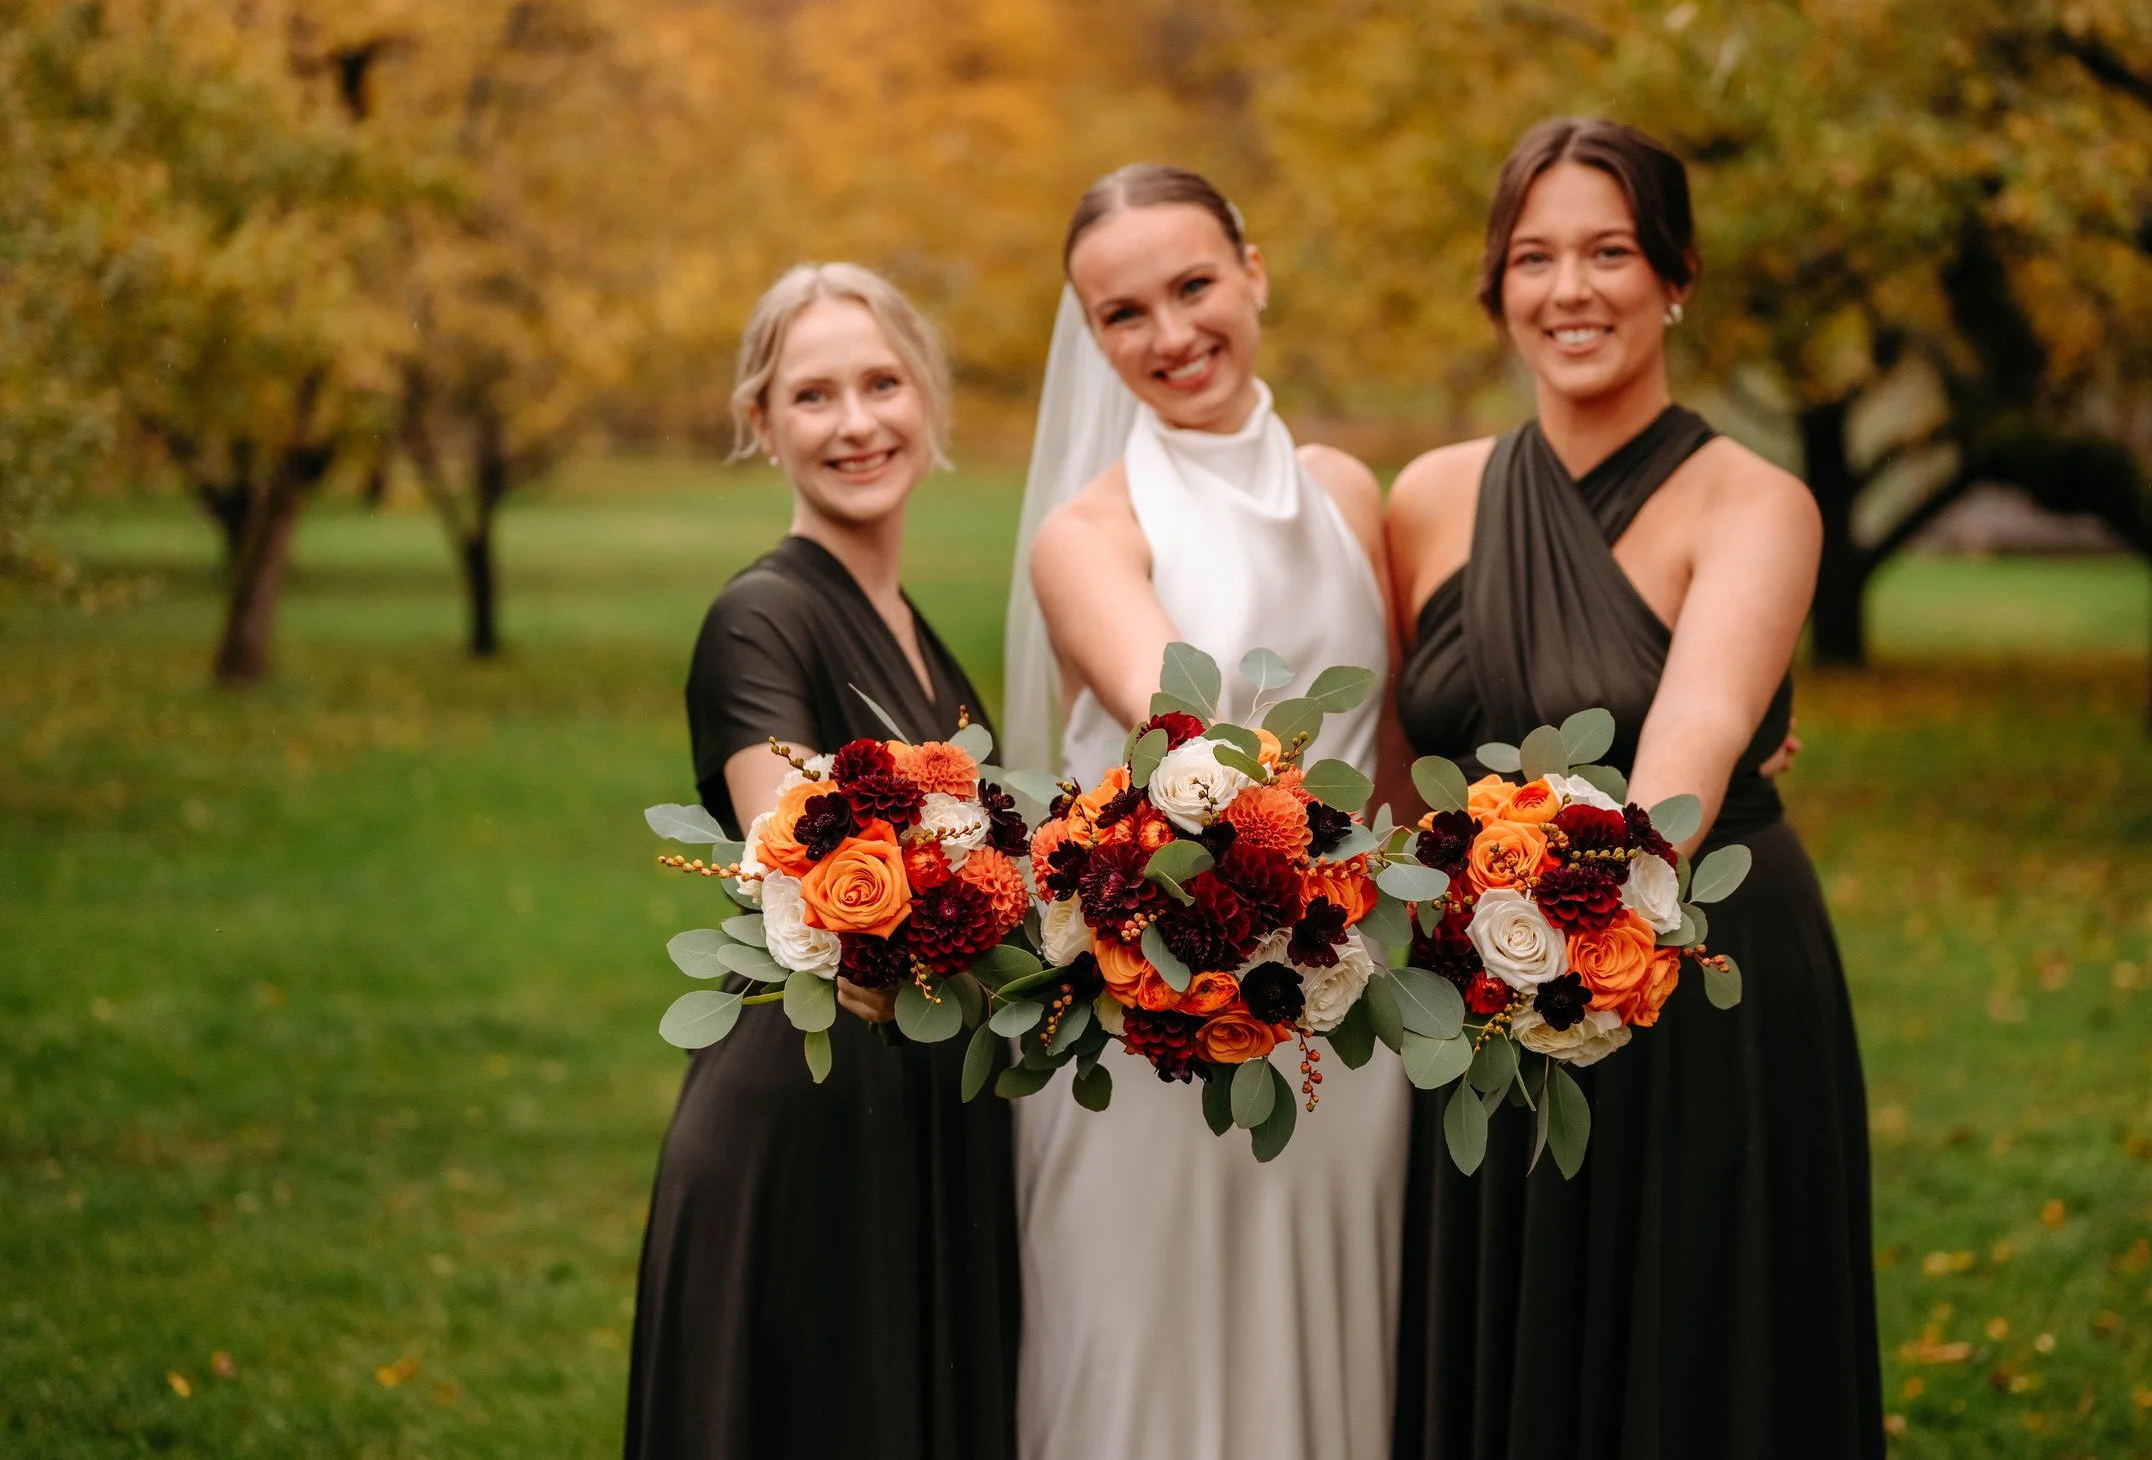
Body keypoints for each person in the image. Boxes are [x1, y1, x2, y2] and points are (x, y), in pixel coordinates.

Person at [1386, 118, 1884, 1459]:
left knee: (1690, 1355)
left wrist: (1576, 920)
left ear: (1677, 273)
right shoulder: (1428, 499)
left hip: (1694, 971)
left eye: (1610, 250)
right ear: (1497, 287)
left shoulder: (1758, 502)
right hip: (1478, 996)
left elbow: (1697, 736)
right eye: (1534, 255)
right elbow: (1394, 771)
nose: (1571, 289)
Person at [1003, 164, 1409, 1460]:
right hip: (1157, 1028)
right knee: (1149, 1372)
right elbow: (1181, 731)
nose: (1172, 335)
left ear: (1255, 273)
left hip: (1343, 1026)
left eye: (1193, 286)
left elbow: (1397, 756)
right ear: (1093, 334)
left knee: (1335, 1352)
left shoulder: (1351, 494)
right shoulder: (1086, 534)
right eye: (1125, 314)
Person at [625, 264, 1017, 1460]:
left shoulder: (913, 626)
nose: (856, 422)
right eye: (812, 395)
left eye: (882, 382)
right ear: (761, 423)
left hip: (909, 1108)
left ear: (929, 399)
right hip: (803, 1122)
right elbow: (811, 872)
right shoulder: (762, 616)